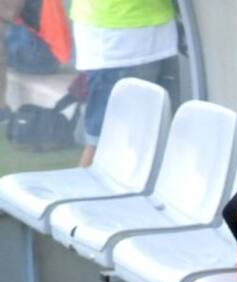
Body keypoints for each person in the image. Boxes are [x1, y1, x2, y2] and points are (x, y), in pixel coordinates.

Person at [70, 0, 177, 167]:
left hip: (144, 32)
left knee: (144, 140)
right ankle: (81, 182)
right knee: (102, 144)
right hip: (119, 37)